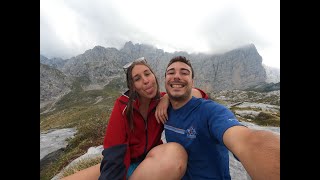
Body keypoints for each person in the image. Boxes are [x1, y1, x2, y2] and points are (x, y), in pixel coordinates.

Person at [61, 57, 207, 180]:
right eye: (137, 79)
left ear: (154, 76)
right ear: (133, 87)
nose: (146, 81)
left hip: (151, 161)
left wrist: (168, 96)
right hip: (124, 163)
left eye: (147, 74)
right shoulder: (123, 106)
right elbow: (114, 152)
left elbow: (198, 94)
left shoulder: (162, 101)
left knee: (175, 155)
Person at [163, 56, 280, 180]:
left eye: (184, 73)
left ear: (193, 82)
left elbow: (248, 141)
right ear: (164, 79)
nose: (176, 76)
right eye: (171, 72)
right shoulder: (163, 110)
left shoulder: (210, 111)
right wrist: (164, 99)